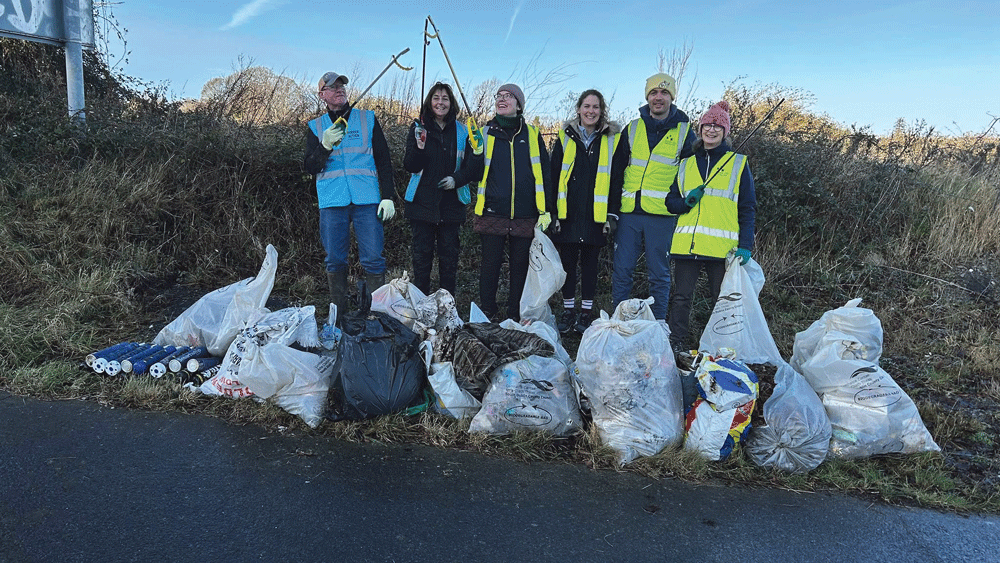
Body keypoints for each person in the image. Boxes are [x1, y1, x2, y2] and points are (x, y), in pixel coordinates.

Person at [665, 100, 757, 352]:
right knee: (681, 298)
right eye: (707, 125)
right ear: (701, 128)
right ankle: (677, 341)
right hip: (687, 246)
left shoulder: (737, 164)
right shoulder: (685, 164)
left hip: (722, 248)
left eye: (718, 126)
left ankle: (721, 345)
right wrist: (686, 202)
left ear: (725, 132)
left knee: (722, 301)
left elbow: (747, 208)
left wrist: (745, 245)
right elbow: (670, 203)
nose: (712, 130)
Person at [303, 71, 396, 315]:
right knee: (334, 260)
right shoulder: (315, 127)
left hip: (367, 200)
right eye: (332, 87)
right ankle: (340, 318)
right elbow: (310, 167)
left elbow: (384, 161)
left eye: (342, 85)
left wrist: (388, 196)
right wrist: (324, 146)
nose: (339, 89)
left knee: (374, 259)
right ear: (322, 95)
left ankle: (378, 316)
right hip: (332, 201)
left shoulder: (367, 120)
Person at [460, 83, 552, 322]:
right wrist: (477, 152)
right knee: (489, 266)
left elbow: (545, 172)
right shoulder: (484, 132)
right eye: (498, 96)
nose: (502, 99)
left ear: (519, 105)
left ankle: (516, 313)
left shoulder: (532, 134)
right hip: (492, 210)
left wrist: (546, 210)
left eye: (508, 96)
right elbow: (472, 171)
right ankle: (487, 313)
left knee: (520, 268)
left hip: (525, 212)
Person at [610, 73, 697, 320]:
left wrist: (680, 203)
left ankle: (657, 323)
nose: (658, 97)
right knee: (622, 270)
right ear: (647, 96)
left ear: (672, 97)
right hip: (629, 213)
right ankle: (620, 320)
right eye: (653, 93)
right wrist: (613, 210)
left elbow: (690, 173)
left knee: (658, 273)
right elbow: (617, 171)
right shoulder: (633, 127)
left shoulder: (685, 132)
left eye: (664, 93)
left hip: (662, 214)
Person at [549, 89, 625, 334]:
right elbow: (553, 175)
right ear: (578, 109)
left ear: (602, 111)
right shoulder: (564, 137)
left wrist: (613, 214)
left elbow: (616, 180)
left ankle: (586, 314)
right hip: (568, 214)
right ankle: (569, 311)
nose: (591, 111)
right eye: (586, 106)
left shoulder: (612, 139)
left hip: (597, 215)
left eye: (596, 107)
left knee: (590, 265)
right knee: (568, 264)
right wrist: (553, 214)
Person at [402, 82, 477, 296]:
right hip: (421, 203)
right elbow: (410, 165)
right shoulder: (419, 127)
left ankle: (447, 306)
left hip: (452, 205)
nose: (440, 102)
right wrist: (419, 148)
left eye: (445, 98)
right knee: (421, 259)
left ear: (451, 103)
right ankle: (421, 305)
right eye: (436, 98)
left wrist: (457, 179)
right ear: (429, 101)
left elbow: (473, 167)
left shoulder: (463, 131)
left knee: (449, 260)